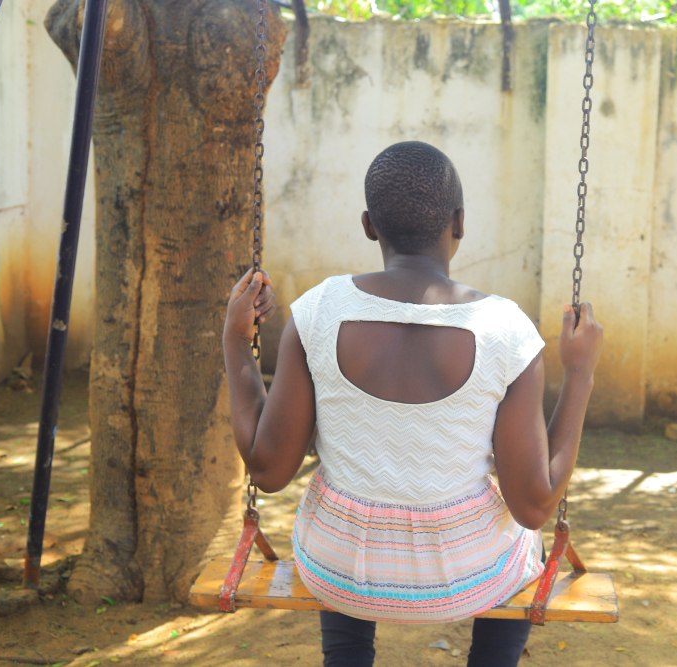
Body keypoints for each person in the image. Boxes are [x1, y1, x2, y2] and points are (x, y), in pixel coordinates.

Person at [222, 141, 603, 667]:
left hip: (340, 567)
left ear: (368, 225)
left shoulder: (318, 312)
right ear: (460, 223)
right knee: (528, 540)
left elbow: (267, 470)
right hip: (465, 573)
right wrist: (580, 373)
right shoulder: (504, 329)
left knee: (350, 504)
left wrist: (235, 342)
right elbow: (534, 504)